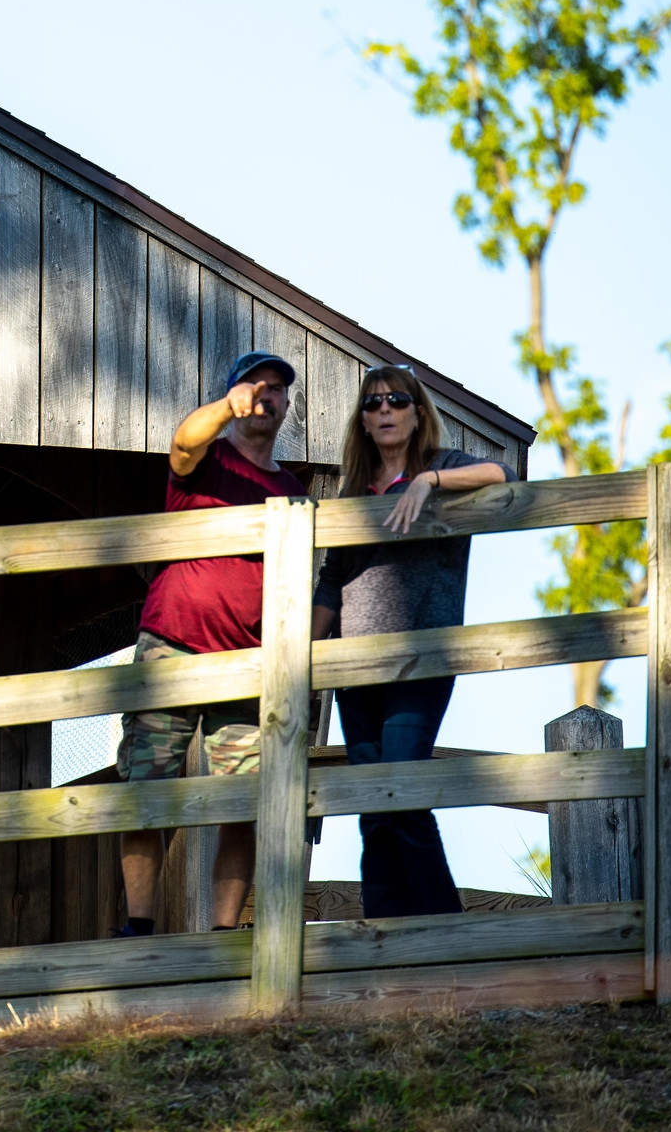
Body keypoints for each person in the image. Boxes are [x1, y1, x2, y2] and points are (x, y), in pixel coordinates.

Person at [310, 362, 515, 918]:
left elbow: (502, 475)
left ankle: (444, 929)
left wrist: (428, 482)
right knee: (372, 811)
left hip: (421, 664)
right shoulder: (354, 491)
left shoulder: (444, 467)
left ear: (417, 412)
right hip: (353, 670)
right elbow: (332, 579)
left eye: (396, 401)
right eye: (372, 404)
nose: (383, 411)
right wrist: (301, 654)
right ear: (362, 420)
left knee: (402, 791)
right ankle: (384, 938)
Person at [114, 350, 305, 937]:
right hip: (170, 645)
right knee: (146, 793)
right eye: (255, 386)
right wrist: (226, 407)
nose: (265, 397)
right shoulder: (205, 459)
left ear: (287, 407)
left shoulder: (292, 490)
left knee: (243, 805)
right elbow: (182, 441)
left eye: (276, 390)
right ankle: (137, 930)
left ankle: (224, 937)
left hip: (248, 660)